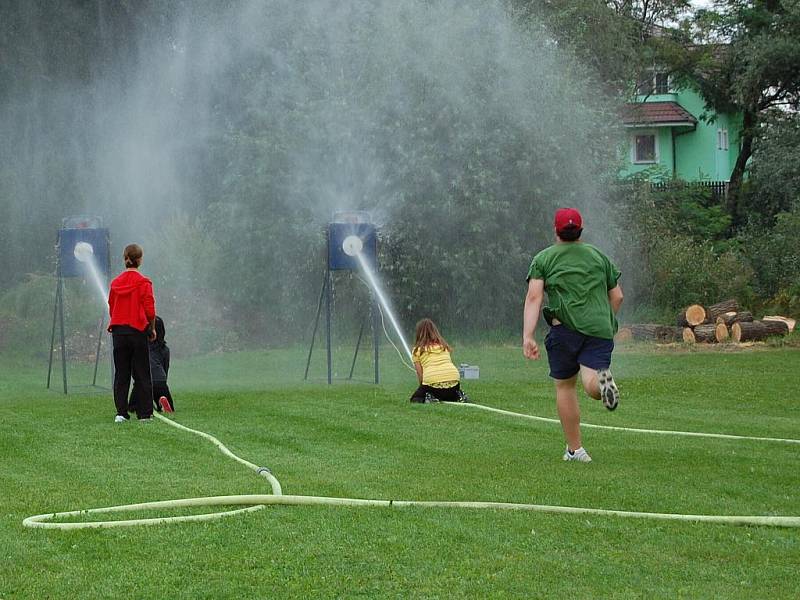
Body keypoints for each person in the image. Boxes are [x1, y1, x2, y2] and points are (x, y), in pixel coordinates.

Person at [523, 208, 623, 463]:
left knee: (565, 386)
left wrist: (528, 335)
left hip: (565, 329)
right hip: (599, 330)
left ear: (556, 230)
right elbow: (618, 296)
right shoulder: (599, 256)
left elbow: (535, 297)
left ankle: (576, 450)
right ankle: (603, 382)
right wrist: (605, 320)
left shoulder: (544, 259)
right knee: (590, 382)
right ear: (581, 229)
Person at [108, 243, 156, 423]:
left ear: (125, 259)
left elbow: (112, 307)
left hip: (119, 333)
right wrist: (151, 329)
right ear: (140, 260)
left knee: (121, 373)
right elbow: (149, 310)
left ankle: (121, 413)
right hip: (137, 331)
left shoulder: (115, 283)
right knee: (142, 372)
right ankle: (144, 414)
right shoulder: (144, 282)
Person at [410, 318, 469, 404]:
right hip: (454, 384)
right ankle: (458, 395)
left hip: (433, 386)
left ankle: (429, 397)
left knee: (415, 398)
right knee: (448, 394)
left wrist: (422, 390)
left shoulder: (417, 350)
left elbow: (420, 376)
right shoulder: (444, 346)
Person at [132, 315, 174, 413]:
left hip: (143, 382)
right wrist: (163, 383)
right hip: (160, 381)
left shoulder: (141, 347)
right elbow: (165, 367)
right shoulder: (165, 349)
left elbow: (135, 368)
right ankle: (161, 400)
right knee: (169, 405)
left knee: (132, 406)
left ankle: (139, 404)